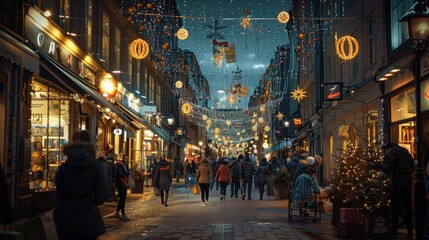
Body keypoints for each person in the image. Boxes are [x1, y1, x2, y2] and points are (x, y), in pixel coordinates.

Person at [54, 130, 109, 240]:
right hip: (88, 216)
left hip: (65, 217)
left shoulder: (63, 168)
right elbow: (102, 196)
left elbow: (58, 194)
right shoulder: (95, 167)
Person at [370, 142, 414, 238]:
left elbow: (388, 169)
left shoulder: (394, 154)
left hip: (398, 184)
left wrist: (377, 165)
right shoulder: (404, 151)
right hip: (408, 183)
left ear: (389, 148)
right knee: (408, 208)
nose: (385, 152)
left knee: (395, 208)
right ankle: (410, 232)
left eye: (386, 150)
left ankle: (394, 231)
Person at [114, 154, 131, 221]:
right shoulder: (120, 165)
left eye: (127, 158)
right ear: (123, 158)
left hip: (123, 184)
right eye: (125, 158)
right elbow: (120, 173)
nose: (127, 159)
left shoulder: (126, 165)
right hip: (121, 184)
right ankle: (123, 214)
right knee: (123, 199)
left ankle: (117, 212)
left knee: (122, 198)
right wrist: (127, 173)